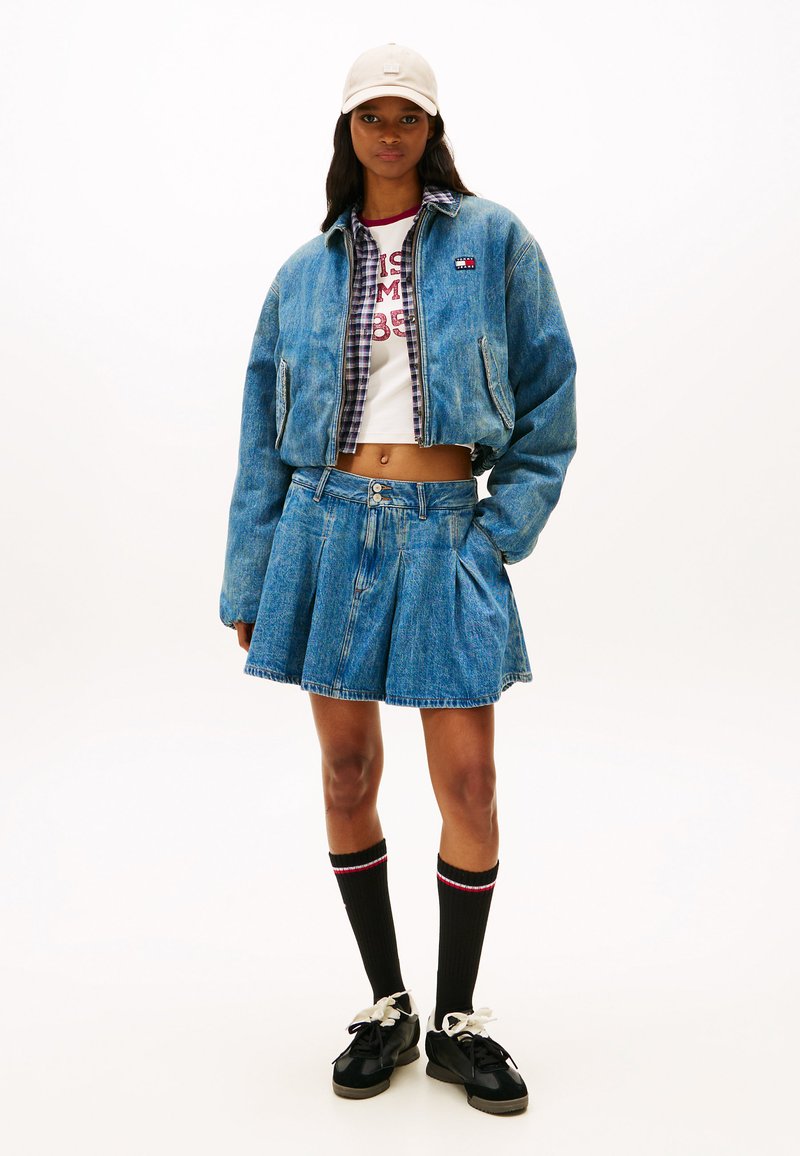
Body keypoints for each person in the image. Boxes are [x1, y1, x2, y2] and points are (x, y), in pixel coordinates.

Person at [218, 42, 577, 1115]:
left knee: (468, 785)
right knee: (345, 773)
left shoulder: (493, 241)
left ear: (430, 128)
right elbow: (259, 438)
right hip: (323, 530)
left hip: (441, 534)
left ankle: (457, 1019)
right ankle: (387, 1006)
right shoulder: (302, 272)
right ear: (347, 129)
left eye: (406, 116)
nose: (388, 132)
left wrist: (496, 533)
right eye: (371, 116)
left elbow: (551, 394)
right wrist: (250, 578)